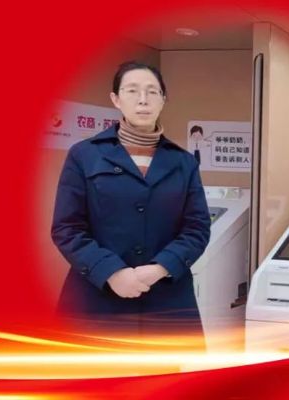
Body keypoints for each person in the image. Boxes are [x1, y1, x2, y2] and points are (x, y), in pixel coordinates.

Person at [51, 61, 211, 337]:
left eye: (152, 92)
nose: (143, 100)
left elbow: (197, 228)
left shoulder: (184, 162)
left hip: (166, 300)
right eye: (132, 90)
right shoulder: (84, 155)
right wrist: (111, 272)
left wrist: (160, 268)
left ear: (163, 99)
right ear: (116, 99)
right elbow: (67, 228)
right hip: (97, 297)